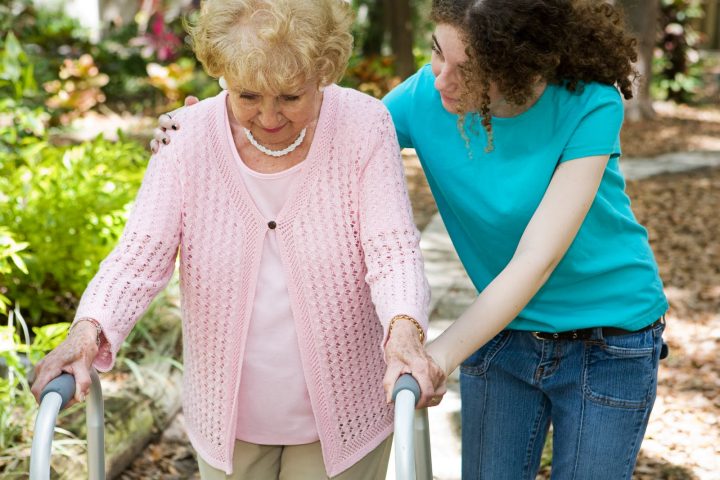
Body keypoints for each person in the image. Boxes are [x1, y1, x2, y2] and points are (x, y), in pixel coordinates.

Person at [154, 0, 669, 478]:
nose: (442, 77)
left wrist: (435, 355)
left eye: (467, 70)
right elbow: (335, 130)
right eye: (438, 54)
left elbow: (538, 257)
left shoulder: (589, 104)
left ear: (518, 69)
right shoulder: (426, 96)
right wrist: (216, 128)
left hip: (610, 339)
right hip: (502, 332)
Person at [31, 1, 447, 479]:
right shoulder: (185, 139)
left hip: (346, 416)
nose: (268, 117)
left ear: (324, 71)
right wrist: (86, 332)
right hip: (227, 426)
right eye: (247, 94)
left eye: (290, 97)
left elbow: (391, 249)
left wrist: (403, 330)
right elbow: (137, 260)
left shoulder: (364, 126)